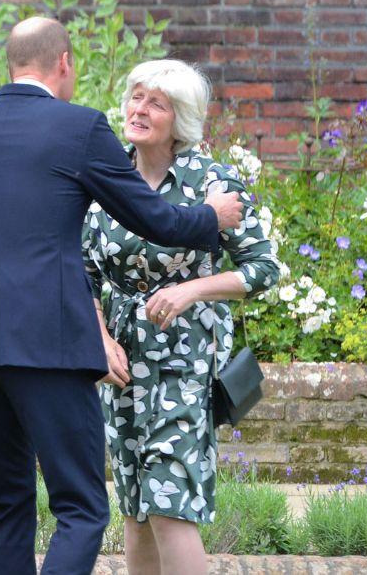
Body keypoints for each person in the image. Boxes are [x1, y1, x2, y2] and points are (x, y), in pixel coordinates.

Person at [0, 16, 244, 575]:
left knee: (6, 504)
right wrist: (211, 217)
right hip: (49, 341)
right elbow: (154, 218)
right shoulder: (79, 128)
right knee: (80, 507)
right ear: (65, 64)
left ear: (11, 63)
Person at [84, 59, 280, 575]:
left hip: (184, 358)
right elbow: (80, 273)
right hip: (121, 360)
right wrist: (98, 337)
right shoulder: (107, 177)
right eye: (135, 97)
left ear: (181, 119)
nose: (139, 109)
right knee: (136, 505)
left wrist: (192, 289)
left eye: (157, 103)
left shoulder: (210, 180)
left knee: (171, 498)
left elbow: (264, 268)